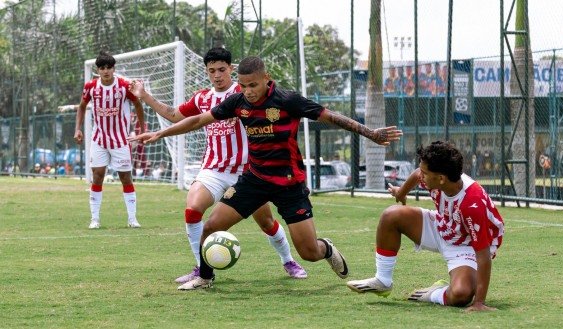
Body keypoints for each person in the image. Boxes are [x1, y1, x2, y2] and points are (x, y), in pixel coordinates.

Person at [130, 56, 402, 290]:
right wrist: (161, 132)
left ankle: (326, 248)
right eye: (244, 85)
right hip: (254, 180)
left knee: (309, 252)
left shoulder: (287, 100)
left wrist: (370, 133)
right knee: (211, 226)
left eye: (253, 85)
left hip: (289, 185)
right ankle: (205, 276)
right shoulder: (237, 102)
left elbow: (331, 117)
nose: (248, 91)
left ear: (266, 79)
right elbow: (199, 119)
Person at [129, 48, 308, 287]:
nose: (217, 75)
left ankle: (288, 261)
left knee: (266, 222)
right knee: (192, 210)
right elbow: (174, 115)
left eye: (222, 70)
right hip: (214, 169)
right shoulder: (202, 98)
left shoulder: (245, 92)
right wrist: (144, 96)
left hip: (249, 171)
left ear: (231, 69)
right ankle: (200, 267)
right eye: (211, 70)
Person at [346, 141, 504, 312]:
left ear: (441, 179)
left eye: (425, 173)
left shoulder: (472, 203)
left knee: (461, 294)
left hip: (467, 246)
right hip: (443, 225)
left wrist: (479, 302)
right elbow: (416, 174)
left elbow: (483, 254)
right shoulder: (439, 178)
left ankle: (434, 293)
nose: (422, 175)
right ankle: (383, 280)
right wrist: (401, 192)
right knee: (391, 215)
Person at [74, 50, 146, 229]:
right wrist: (78, 129)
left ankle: (132, 219)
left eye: (109, 68)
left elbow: (138, 104)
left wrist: (142, 129)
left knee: (125, 178)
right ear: (97, 70)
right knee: (97, 177)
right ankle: (95, 219)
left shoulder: (124, 86)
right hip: (99, 140)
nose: (106, 71)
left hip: (120, 140)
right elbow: (82, 106)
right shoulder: (91, 87)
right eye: (102, 68)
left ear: (114, 69)